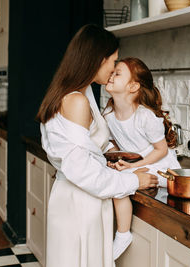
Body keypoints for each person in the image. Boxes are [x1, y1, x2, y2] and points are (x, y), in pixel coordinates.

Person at [36, 25, 159, 267]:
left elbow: (87, 145)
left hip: (84, 199)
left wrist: (111, 153)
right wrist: (136, 181)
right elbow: (82, 170)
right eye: (113, 61)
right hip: (80, 202)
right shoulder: (76, 101)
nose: (114, 68)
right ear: (98, 59)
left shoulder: (81, 94)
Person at [103, 57, 181, 260]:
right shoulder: (109, 113)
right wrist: (116, 157)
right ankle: (118, 233)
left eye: (117, 73)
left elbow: (161, 150)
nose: (111, 75)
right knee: (115, 176)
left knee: (119, 183)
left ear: (133, 86)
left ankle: (123, 234)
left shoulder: (145, 117)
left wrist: (134, 165)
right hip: (137, 165)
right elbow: (111, 141)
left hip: (162, 169)